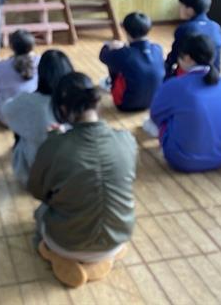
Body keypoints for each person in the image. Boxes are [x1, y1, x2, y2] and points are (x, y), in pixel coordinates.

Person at [29, 72, 137, 288]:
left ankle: (59, 258)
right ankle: (104, 258)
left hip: (66, 244)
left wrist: (54, 142)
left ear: (62, 109)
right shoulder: (126, 139)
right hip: (118, 236)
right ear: (96, 103)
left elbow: (37, 191)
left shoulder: (55, 146)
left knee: (40, 213)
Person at [148, 34, 221, 172]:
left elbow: (156, 115)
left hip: (182, 160)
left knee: (160, 121)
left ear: (188, 58)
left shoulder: (175, 85)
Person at [0, 49, 73, 187]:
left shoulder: (28, 101)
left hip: (34, 175)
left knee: (21, 133)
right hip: (71, 175)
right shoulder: (78, 101)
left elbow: (6, 110)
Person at [99, 12, 164, 112]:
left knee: (114, 60)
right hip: (154, 102)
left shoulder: (122, 53)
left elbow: (102, 56)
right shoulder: (157, 48)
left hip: (125, 105)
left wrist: (109, 46)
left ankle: (112, 85)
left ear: (126, 31)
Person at [164, 0, 221, 79]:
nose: (179, 9)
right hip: (213, 75)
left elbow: (174, 57)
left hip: (190, 75)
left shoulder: (185, 28)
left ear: (190, 10)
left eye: (181, 6)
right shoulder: (216, 27)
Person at [0, 29, 39, 126]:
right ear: (32, 46)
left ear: (11, 46)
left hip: (7, 120)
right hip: (35, 117)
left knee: (0, 88)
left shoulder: (1, 66)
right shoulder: (40, 61)